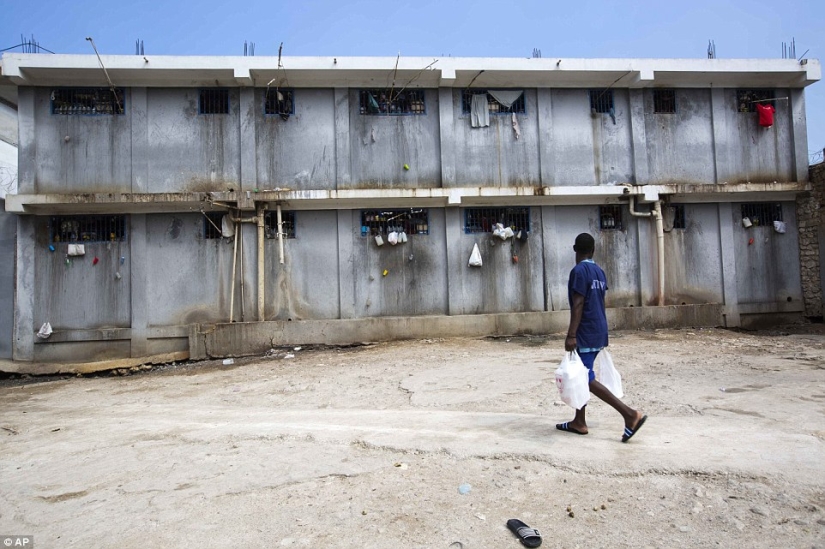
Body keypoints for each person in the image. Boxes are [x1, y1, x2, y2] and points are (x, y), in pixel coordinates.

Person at [557, 233, 647, 442]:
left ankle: (630, 415)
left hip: (586, 331)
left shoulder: (579, 271)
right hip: (599, 329)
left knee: (585, 378)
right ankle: (579, 421)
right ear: (593, 250)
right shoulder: (599, 271)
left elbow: (579, 304)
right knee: (581, 374)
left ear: (574, 249)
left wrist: (571, 334)